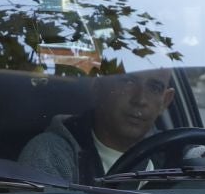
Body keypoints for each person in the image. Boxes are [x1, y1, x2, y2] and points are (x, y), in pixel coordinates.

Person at [18, 69, 173, 183]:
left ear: (165, 102)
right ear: (97, 86)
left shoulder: (180, 156)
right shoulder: (49, 155)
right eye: (128, 81)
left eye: (154, 88)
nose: (140, 100)